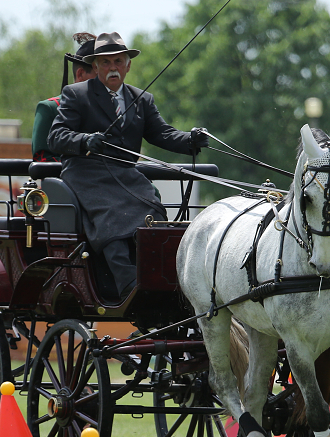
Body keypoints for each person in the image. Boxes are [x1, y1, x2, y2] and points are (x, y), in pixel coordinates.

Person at [47, 31, 208, 301]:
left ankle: (164, 282)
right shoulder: (75, 94)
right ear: (95, 65)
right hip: (87, 175)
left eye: (118, 62)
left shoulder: (142, 99)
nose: (113, 68)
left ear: (128, 65)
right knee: (113, 218)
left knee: (154, 212)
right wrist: (85, 140)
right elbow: (56, 136)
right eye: (106, 63)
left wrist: (191, 140)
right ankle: (130, 289)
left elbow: (162, 134)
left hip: (125, 175)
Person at [32, 32, 98, 163]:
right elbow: (43, 161)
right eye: (100, 77)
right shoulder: (50, 108)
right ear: (80, 74)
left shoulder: (113, 109)